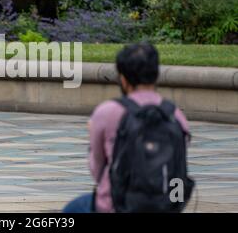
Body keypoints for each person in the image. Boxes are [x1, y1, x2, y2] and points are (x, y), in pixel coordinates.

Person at [63, 42, 190, 213]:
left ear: (123, 78)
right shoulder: (175, 116)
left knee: (73, 209)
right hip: (165, 207)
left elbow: (97, 171)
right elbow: (179, 166)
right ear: (156, 74)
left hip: (118, 206)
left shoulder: (108, 112)